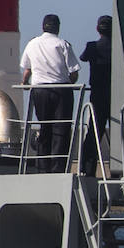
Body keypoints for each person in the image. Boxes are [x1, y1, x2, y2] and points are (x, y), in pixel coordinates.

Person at [21, 13, 80, 171]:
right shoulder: (62, 44)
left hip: (39, 91)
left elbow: (28, 69)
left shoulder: (32, 43)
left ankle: (42, 166)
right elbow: (74, 72)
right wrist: (70, 83)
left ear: (43, 26)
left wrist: (24, 82)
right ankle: (58, 167)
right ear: (58, 27)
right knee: (60, 130)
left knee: (44, 127)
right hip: (61, 90)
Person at [77, 15, 112, 175]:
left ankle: (87, 168)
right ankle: (120, 169)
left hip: (98, 93)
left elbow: (83, 58)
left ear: (98, 29)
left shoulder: (92, 46)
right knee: (120, 131)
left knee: (94, 131)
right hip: (115, 92)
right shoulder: (119, 46)